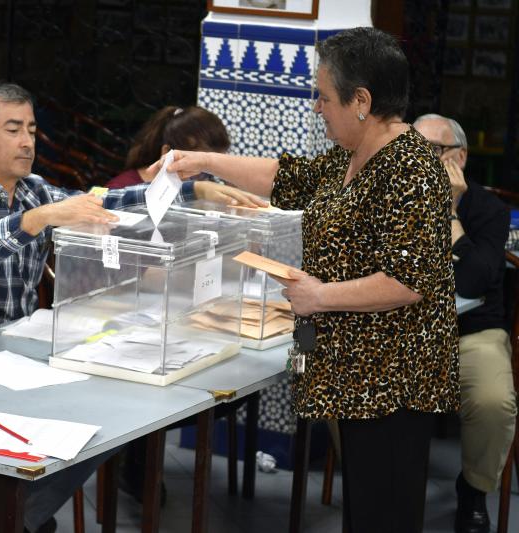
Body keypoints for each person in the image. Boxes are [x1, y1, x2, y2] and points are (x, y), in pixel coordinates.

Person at [0, 81, 260, 532]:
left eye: (31, 128)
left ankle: (12, 517)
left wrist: (194, 193)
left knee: (108, 421)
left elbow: (108, 200)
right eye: (14, 129)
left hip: (8, 357)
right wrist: (40, 219)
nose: (28, 140)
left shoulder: (32, 189)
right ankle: (8, 514)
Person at [164, 27, 458, 533]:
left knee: (384, 513)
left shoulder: (411, 168)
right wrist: (204, 162)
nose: (316, 107)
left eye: (323, 96)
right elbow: (284, 177)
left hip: (393, 379)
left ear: (361, 100)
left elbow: (409, 280)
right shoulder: (352, 155)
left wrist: (319, 296)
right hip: (358, 375)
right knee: (364, 509)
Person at [414, 113, 516, 533]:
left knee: (494, 401)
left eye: (430, 153)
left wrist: (449, 212)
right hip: (405, 328)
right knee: (340, 375)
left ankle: (473, 489)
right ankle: (374, 478)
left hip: (471, 330)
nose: (416, 161)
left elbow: (476, 278)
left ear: (459, 157)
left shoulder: (487, 209)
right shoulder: (393, 198)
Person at [105, 105, 230, 189]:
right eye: (201, 169)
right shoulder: (120, 188)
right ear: (167, 153)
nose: (207, 179)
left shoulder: (202, 188)